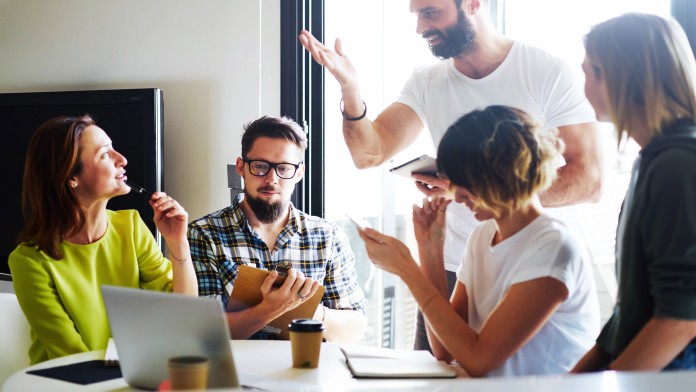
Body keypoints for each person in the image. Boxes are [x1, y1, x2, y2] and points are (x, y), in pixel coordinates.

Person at [300, 0, 603, 351]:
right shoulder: (427, 81)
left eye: (430, 12)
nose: (420, 28)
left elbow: (588, 180)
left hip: (530, 260)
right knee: (436, 371)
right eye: (416, 15)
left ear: (473, 3)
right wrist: (350, 91)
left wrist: (481, 189)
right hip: (456, 262)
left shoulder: (547, 71)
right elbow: (370, 153)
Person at [358, 105, 599, 377]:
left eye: (465, 183)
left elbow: (479, 359)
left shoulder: (552, 247)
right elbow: (446, 350)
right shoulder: (483, 236)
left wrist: (406, 269)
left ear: (502, 175)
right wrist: (430, 249)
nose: (457, 197)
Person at [9, 115, 197, 365]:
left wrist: (178, 243)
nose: (122, 160)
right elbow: (73, 359)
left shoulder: (129, 227)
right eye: (105, 154)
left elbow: (183, 315)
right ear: (70, 177)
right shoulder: (29, 261)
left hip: (129, 374)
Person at [572, 13, 696, 372]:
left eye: (588, 72)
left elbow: (681, 318)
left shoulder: (678, 164)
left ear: (620, 76)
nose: (583, 87)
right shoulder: (654, 160)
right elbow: (633, 309)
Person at [188, 115, 367, 343]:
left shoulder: (328, 237)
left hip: (308, 371)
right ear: (241, 167)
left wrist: (307, 309)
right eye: (261, 166)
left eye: (284, 168)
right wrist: (271, 308)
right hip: (237, 374)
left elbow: (355, 328)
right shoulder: (204, 234)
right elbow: (203, 332)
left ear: (299, 173)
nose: (271, 179)